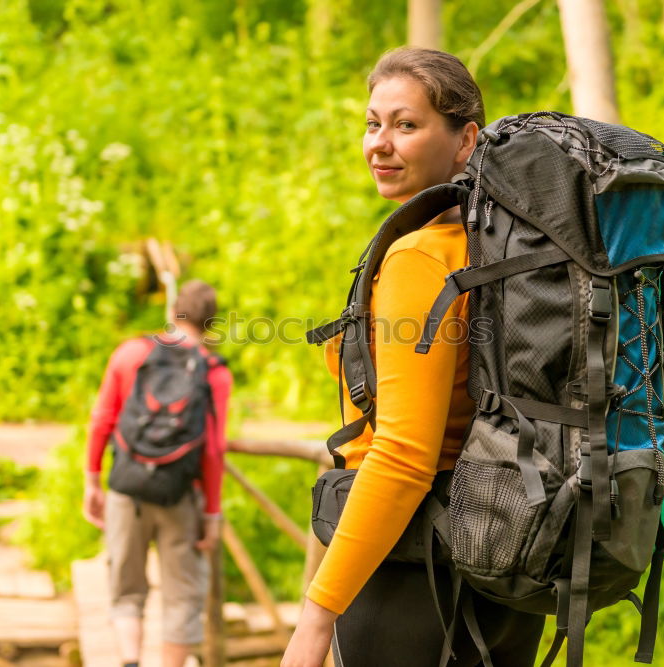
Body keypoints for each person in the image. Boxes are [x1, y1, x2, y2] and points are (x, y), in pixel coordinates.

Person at [282, 48, 546, 667]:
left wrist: (317, 618)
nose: (380, 143)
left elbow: (402, 456)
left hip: (413, 569)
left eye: (406, 125)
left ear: (465, 141)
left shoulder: (421, 257)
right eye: (373, 123)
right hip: (510, 553)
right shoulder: (510, 248)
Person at [83, 279, 232, 667]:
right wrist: (212, 514)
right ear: (211, 324)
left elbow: (101, 421)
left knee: (126, 588)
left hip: (127, 488)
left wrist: (91, 481)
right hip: (180, 495)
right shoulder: (214, 372)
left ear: (172, 313)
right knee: (183, 595)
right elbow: (213, 451)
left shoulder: (130, 353)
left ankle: (130, 661)